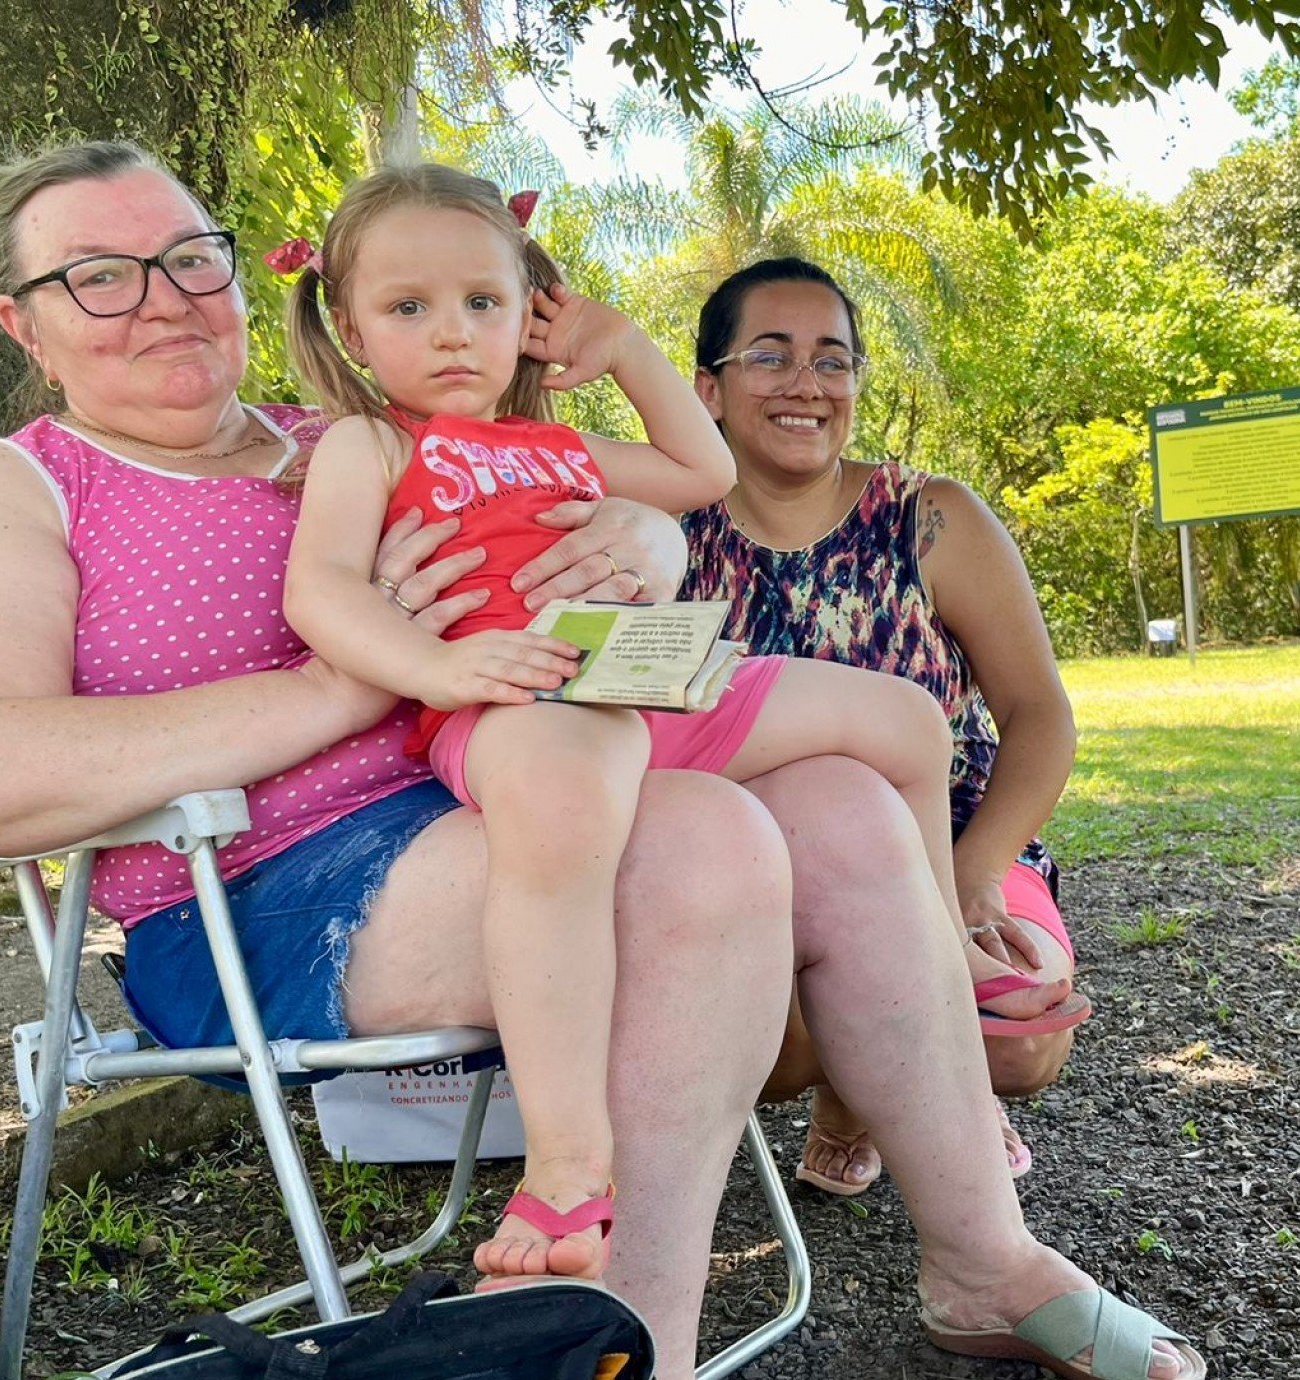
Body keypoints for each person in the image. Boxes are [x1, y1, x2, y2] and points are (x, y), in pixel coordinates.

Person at [0, 142, 1205, 1380]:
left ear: (242, 272)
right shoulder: (15, 483)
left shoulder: (355, 431)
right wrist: (339, 687)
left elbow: (610, 502)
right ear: (23, 324)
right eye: (97, 275)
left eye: (187, 256)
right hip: (254, 890)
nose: (157, 297)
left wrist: (644, 547)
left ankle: (984, 1255)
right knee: (699, 846)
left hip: (504, 792)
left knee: (852, 801)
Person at [278, 165, 997, 1283]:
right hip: (516, 701)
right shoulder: (369, 448)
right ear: (354, 332)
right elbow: (319, 593)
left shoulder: (559, 449)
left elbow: (701, 470)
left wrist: (625, 352)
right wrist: (442, 664)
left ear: (530, 314)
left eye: (483, 301)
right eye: (407, 308)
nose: (453, 334)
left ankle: (944, 1004)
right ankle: (567, 1163)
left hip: (640, 682)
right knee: (561, 819)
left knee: (907, 721)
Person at [679, 258, 1090, 1195]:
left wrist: (977, 873)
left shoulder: (930, 517)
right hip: (763, 857)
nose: (805, 385)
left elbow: (1039, 715)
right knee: (761, 1042)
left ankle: (868, 1088)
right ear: (708, 387)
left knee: (1024, 1039)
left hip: (949, 840)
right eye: (769, 356)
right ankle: (876, 1073)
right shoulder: (664, 533)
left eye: (833, 360)